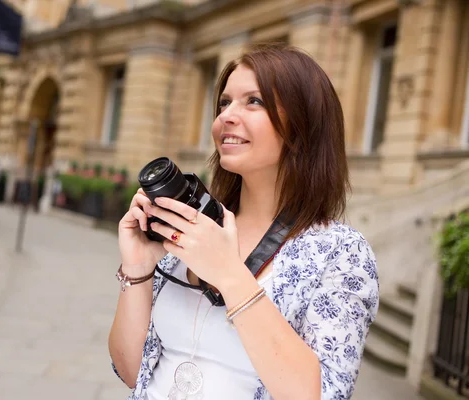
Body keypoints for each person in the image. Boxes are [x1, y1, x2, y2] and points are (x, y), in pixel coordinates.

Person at [108, 44, 379, 400]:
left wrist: (229, 274)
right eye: (224, 103)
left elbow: (324, 394)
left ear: (302, 125)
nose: (226, 117)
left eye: (254, 101)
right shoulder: (198, 224)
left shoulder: (340, 253)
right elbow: (131, 370)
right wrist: (139, 267)